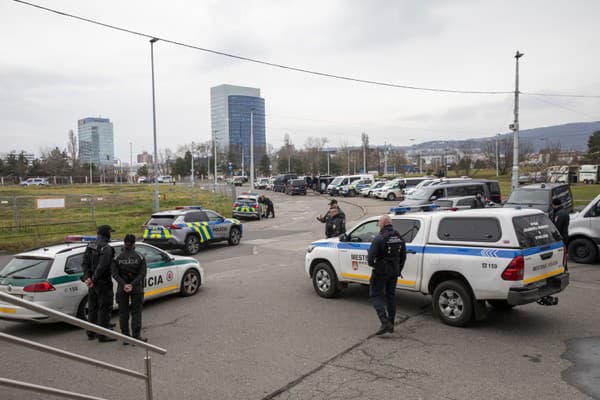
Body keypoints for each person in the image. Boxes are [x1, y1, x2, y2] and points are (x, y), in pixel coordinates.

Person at [367, 215, 407, 335]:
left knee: (375, 295)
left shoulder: (379, 238)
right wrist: (399, 269)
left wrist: (375, 265)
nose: (378, 224)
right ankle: (391, 324)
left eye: (379, 222)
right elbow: (403, 257)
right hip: (394, 271)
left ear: (384, 223)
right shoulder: (399, 237)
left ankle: (384, 322)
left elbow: (370, 259)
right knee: (391, 296)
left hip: (381, 271)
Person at [81, 225, 116, 342]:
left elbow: (84, 263)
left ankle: (91, 332)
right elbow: (103, 266)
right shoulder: (106, 248)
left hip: (92, 283)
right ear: (107, 233)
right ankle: (103, 335)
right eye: (110, 232)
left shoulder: (91, 245)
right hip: (102, 283)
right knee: (104, 308)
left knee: (93, 307)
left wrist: (88, 278)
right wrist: (93, 279)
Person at [112, 234, 147, 344]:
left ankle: (126, 338)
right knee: (136, 312)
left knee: (123, 313)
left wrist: (124, 284)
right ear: (134, 243)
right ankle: (136, 337)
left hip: (122, 288)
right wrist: (132, 284)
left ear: (124, 242)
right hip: (136, 288)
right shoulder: (140, 256)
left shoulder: (117, 257)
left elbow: (114, 273)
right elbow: (142, 273)